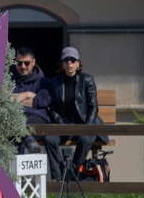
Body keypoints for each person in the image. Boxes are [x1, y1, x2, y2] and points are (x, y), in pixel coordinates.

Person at [48, 46, 104, 180]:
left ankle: (72, 173)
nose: (69, 63)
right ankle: (59, 176)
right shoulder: (55, 82)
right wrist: (62, 124)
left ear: (78, 64)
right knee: (50, 139)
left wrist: (87, 127)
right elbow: (52, 108)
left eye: (72, 60)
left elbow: (93, 106)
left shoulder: (87, 80)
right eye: (66, 60)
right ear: (62, 64)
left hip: (83, 125)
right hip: (64, 125)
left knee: (86, 139)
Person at [10, 47, 64, 179]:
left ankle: (57, 180)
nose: (23, 66)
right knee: (15, 130)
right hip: (17, 121)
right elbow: (5, 100)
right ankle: (14, 180)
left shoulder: (43, 82)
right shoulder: (10, 81)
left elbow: (42, 101)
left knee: (19, 127)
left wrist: (17, 98)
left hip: (38, 120)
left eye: (27, 63)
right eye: (19, 63)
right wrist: (27, 95)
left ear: (33, 62)